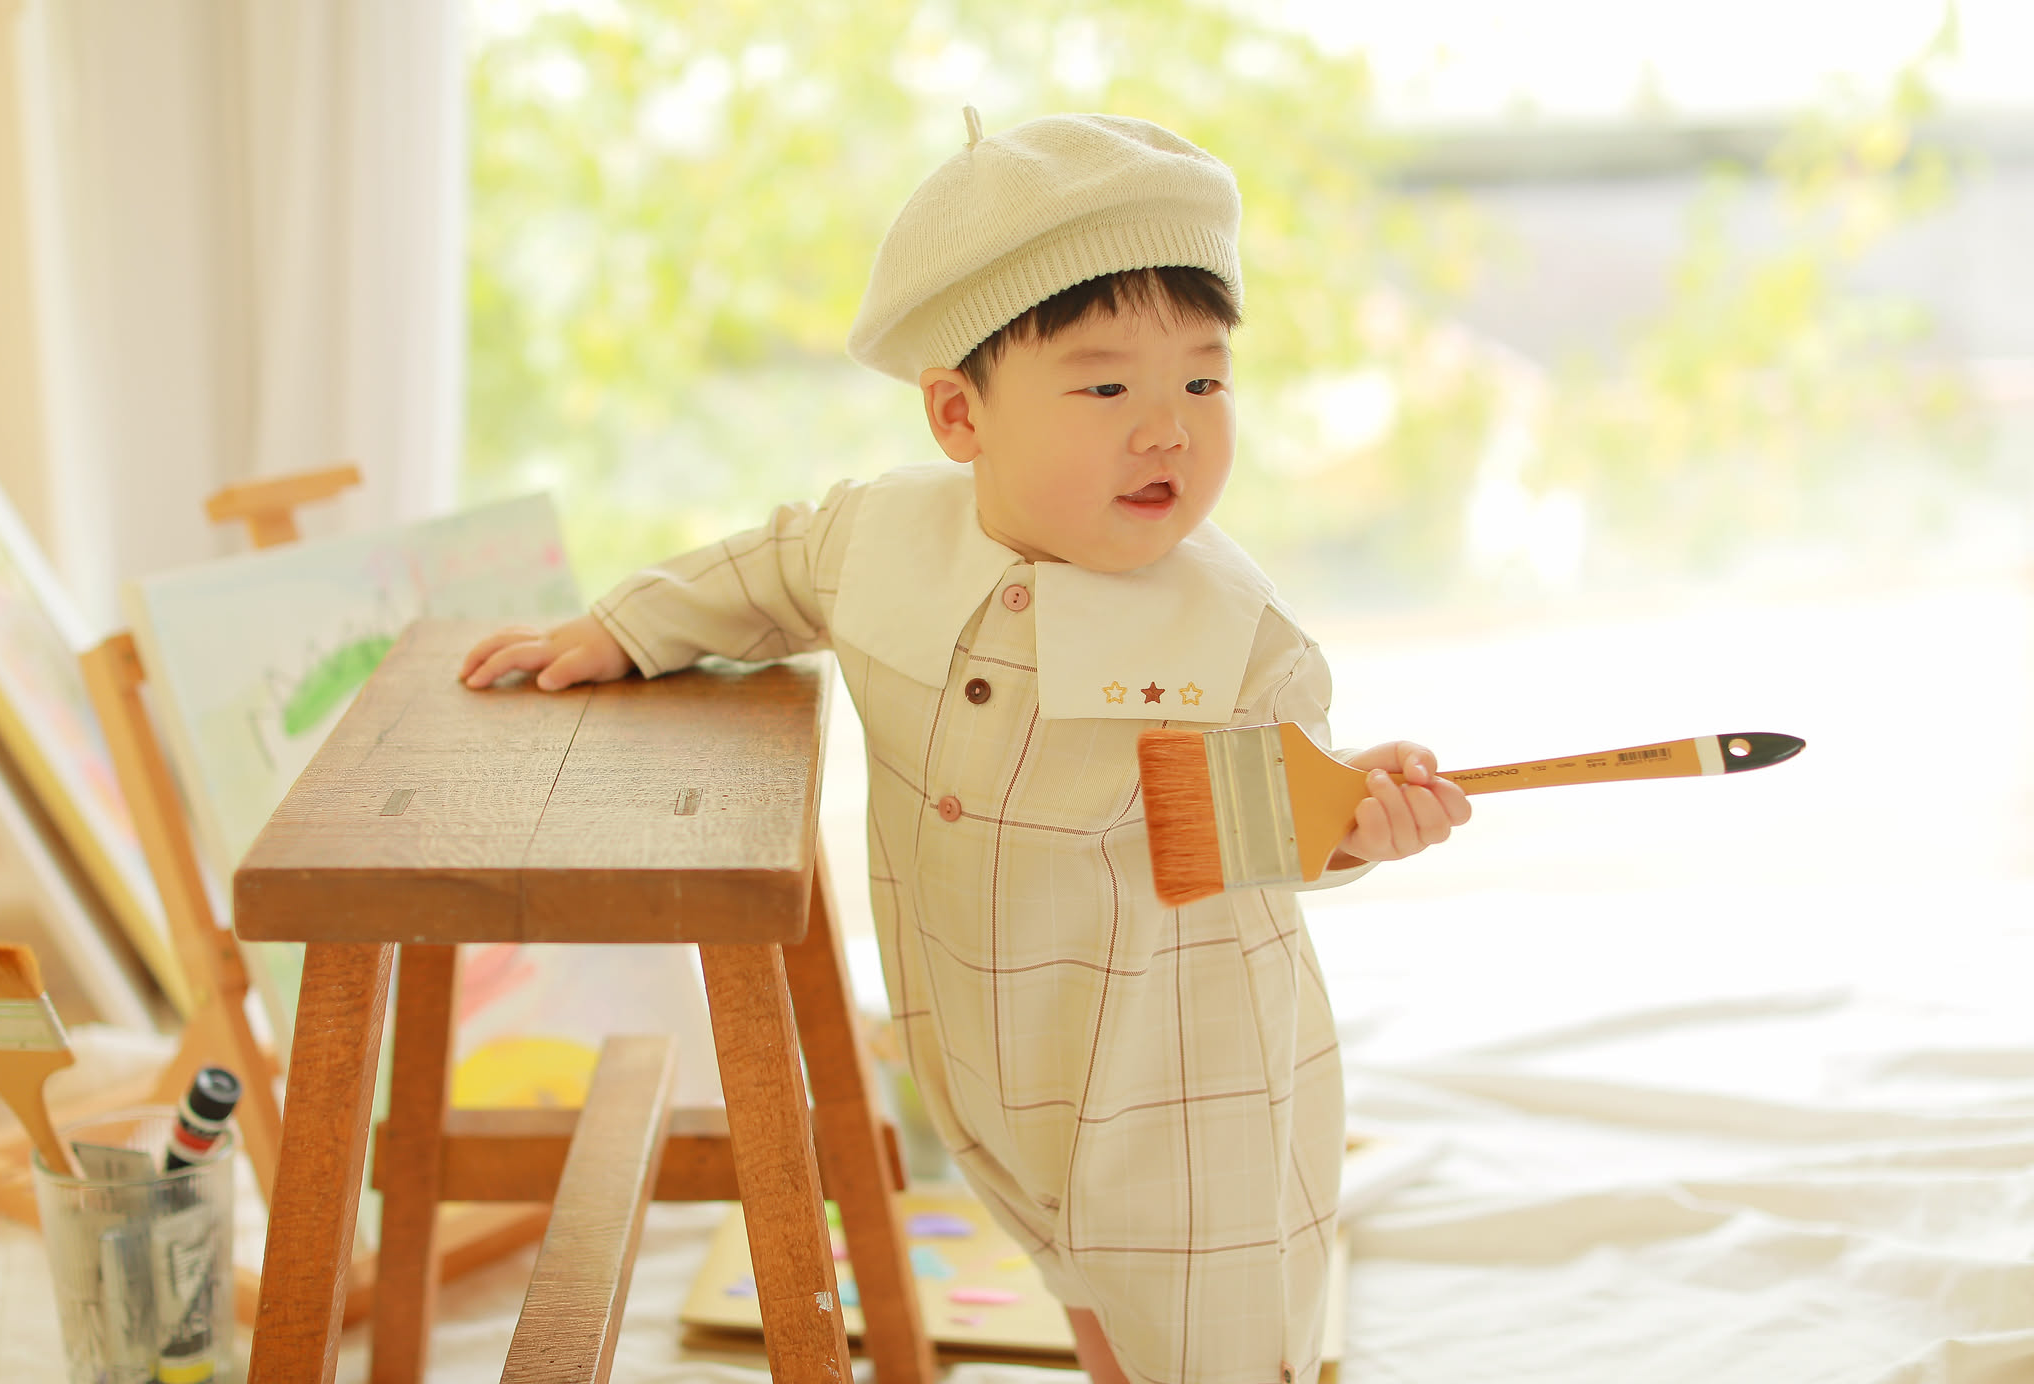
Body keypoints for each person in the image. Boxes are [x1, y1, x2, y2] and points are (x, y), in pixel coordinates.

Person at [460, 111, 1471, 1383]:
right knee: (1082, 1292)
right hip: (984, 1069)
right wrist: (622, 629)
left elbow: (1272, 828)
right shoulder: (880, 538)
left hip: (1177, 1093)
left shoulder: (1237, 639)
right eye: (1108, 387)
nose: (1169, 428)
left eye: (1204, 383)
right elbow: (766, 573)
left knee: (1203, 1344)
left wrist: (1353, 823)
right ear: (958, 414)